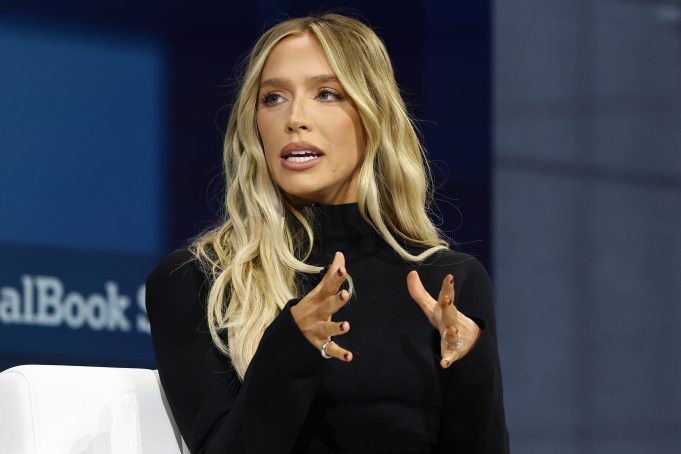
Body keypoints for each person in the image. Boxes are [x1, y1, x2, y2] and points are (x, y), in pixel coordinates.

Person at [146, 13, 509, 454]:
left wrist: (472, 366)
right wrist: (291, 344)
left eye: (326, 94)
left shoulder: (450, 281)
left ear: (372, 115)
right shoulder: (198, 279)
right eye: (274, 97)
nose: (295, 118)